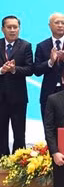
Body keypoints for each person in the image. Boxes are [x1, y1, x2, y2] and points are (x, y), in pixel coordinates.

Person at [0, 16, 33, 155]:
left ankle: (19, 161)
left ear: (19, 29)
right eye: (9, 27)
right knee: (1, 132)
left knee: (19, 133)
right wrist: (2, 70)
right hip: (1, 97)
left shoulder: (25, 46)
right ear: (3, 29)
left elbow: (30, 69)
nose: (13, 30)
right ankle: (2, 161)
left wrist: (14, 70)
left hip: (18, 98)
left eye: (15, 27)